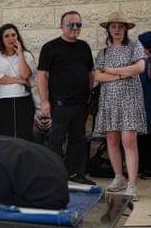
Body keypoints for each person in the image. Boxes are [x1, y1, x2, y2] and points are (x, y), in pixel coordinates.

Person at [37, 11, 95, 185]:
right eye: (71, 25)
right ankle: (56, 175)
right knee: (56, 140)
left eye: (78, 25)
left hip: (81, 103)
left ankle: (75, 174)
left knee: (78, 140)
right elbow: (42, 75)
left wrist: (90, 93)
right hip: (59, 104)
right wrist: (44, 101)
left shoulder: (84, 47)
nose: (75, 28)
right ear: (62, 26)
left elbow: (90, 72)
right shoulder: (50, 47)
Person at [94, 12, 146, 201]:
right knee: (112, 140)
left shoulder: (134, 46)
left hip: (130, 99)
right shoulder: (104, 52)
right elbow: (98, 76)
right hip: (109, 101)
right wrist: (123, 74)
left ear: (126, 29)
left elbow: (139, 68)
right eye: (113, 26)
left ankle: (132, 184)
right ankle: (118, 177)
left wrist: (113, 71)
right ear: (108, 29)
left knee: (129, 141)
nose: (117, 29)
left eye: (120, 26)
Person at [0, 23, 35, 141]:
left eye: (13, 35)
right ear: (1, 39)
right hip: (1, 100)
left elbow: (25, 74)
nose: (11, 38)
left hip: (23, 100)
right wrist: (20, 81)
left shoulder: (26, 55)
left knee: (24, 136)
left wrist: (20, 54)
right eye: (7, 36)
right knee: (5, 137)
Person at [137, 31, 151, 179]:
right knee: (142, 135)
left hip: (147, 101)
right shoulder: (139, 60)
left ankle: (146, 167)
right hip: (140, 102)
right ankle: (143, 167)